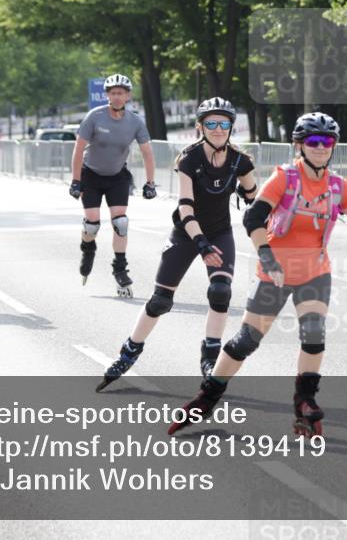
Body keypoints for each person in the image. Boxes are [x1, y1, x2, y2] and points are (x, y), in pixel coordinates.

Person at [169, 112, 347, 437]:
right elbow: (253, 219)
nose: (321, 147)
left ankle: (304, 401)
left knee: (313, 334)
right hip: (275, 273)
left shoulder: (336, 186)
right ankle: (208, 396)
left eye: (327, 142)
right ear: (299, 145)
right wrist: (266, 256)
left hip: (314, 273)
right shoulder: (285, 179)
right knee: (246, 341)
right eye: (313, 141)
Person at [96, 98, 258, 391]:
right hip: (187, 233)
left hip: (219, 233)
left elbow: (253, 196)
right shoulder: (189, 159)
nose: (218, 128)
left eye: (224, 123)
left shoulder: (240, 161)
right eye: (211, 123)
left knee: (220, 292)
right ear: (200, 127)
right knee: (161, 301)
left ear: (231, 127)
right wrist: (201, 244)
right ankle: (128, 353)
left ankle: (210, 359)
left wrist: (253, 200)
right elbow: (186, 207)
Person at [70, 74, 157, 295]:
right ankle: (88, 248)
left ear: (128, 96)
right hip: (91, 175)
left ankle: (120, 269)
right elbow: (78, 149)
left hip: (117, 176)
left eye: (121, 93)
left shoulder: (135, 121)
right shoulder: (95, 117)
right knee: (92, 225)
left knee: (121, 223)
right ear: (107, 95)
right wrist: (76, 180)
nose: (117, 97)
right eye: (113, 93)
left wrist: (150, 183)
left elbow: (147, 152)